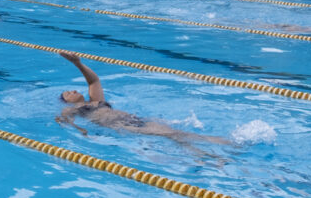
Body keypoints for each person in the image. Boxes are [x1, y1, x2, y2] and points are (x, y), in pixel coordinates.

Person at [56, 51, 227, 147]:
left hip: (133, 119)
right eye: (68, 93)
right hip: (120, 126)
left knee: (174, 133)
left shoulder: (94, 100)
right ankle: (218, 148)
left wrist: (77, 64)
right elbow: (66, 122)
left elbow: (94, 81)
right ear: (67, 101)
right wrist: (81, 131)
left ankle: (209, 152)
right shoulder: (72, 109)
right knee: (173, 134)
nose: (73, 90)